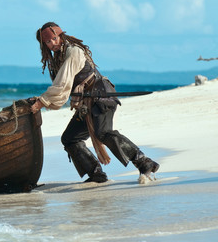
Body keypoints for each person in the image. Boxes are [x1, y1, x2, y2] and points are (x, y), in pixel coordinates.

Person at [30, 22, 160, 183]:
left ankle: (144, 162)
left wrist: (42, 102)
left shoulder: (73, 52)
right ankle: (96, 174)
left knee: (103, 133)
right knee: (70, 138)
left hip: (101, 98)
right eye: (48, 42)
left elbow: (62, 85)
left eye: (54, 39)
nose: (53, 44)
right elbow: (64, 85)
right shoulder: (58, 58)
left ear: (60, 35)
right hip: (86, 105)